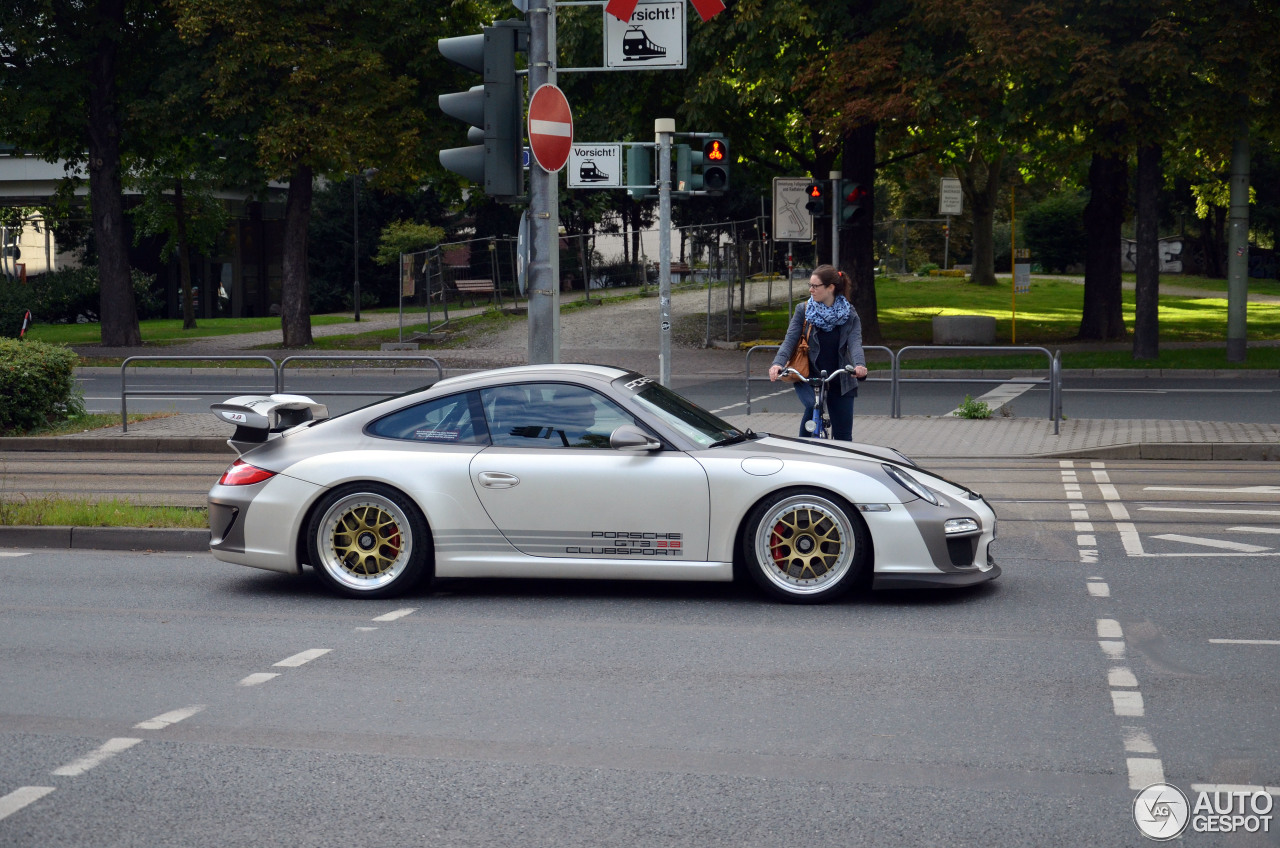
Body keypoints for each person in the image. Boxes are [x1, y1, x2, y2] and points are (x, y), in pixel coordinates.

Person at [767, 264, 868, 440]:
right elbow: (790, 340)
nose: (811, 290)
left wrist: (860, 365)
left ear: (830, 288)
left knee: (843, 436)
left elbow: (855, 342)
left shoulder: (849, 313)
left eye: (815, 286)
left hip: (839, 377)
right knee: (813, 408)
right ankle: (805, 453)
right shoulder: (804, 310)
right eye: (810, 285)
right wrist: (777, 363)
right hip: (810, 376)